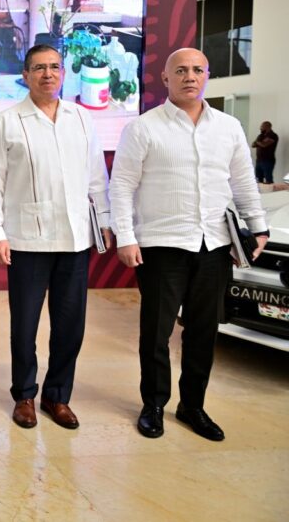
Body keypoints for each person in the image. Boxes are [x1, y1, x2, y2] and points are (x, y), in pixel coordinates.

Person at [110, 48, 268, 442]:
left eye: (198, 70)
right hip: (161, 245)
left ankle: (192, 406)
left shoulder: (228, 127)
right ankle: (153, 405)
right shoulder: (143, 127)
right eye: (180, 70)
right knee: (156, 332)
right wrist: (126, 236)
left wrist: (258, 227)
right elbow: (122, 185)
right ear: (166, 78)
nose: (190, 77)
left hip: (215, 245)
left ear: (207, 76)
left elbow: (243, 181)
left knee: (203, 331)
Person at [0, 44, 111, 430]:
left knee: (70, 325)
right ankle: (24, 395)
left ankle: (57, 396)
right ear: (25, 76)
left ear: (64, 73)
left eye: (54, 67)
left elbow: (96, 176)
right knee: (24, 325)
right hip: (26, 241)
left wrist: (105, 220)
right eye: (39, 68)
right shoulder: (7, 121)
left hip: (75, 239)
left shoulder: (81, 118)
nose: (48, 74)